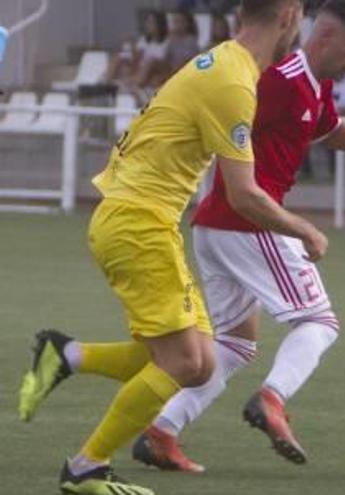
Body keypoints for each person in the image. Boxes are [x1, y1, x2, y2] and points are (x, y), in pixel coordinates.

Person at [17, 1, 310, 494]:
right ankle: (86, 468)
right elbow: (244, 193)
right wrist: (305, 229)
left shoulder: (224, 61)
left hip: (139, 220)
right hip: (138, 225)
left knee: (199, 361)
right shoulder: (235, 82)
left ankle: (67, 355)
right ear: (288, 14)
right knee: (185, 362)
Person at [129, 0, 345, 472]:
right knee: (319, 323)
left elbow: (331, 131)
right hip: (247, 220)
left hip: (218, 228)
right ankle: (272, 400)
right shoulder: (279, 80)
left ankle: (160, 433)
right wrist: (302, 230)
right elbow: (225, 128)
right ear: (324, 38)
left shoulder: (317, 84)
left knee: (236, 345)